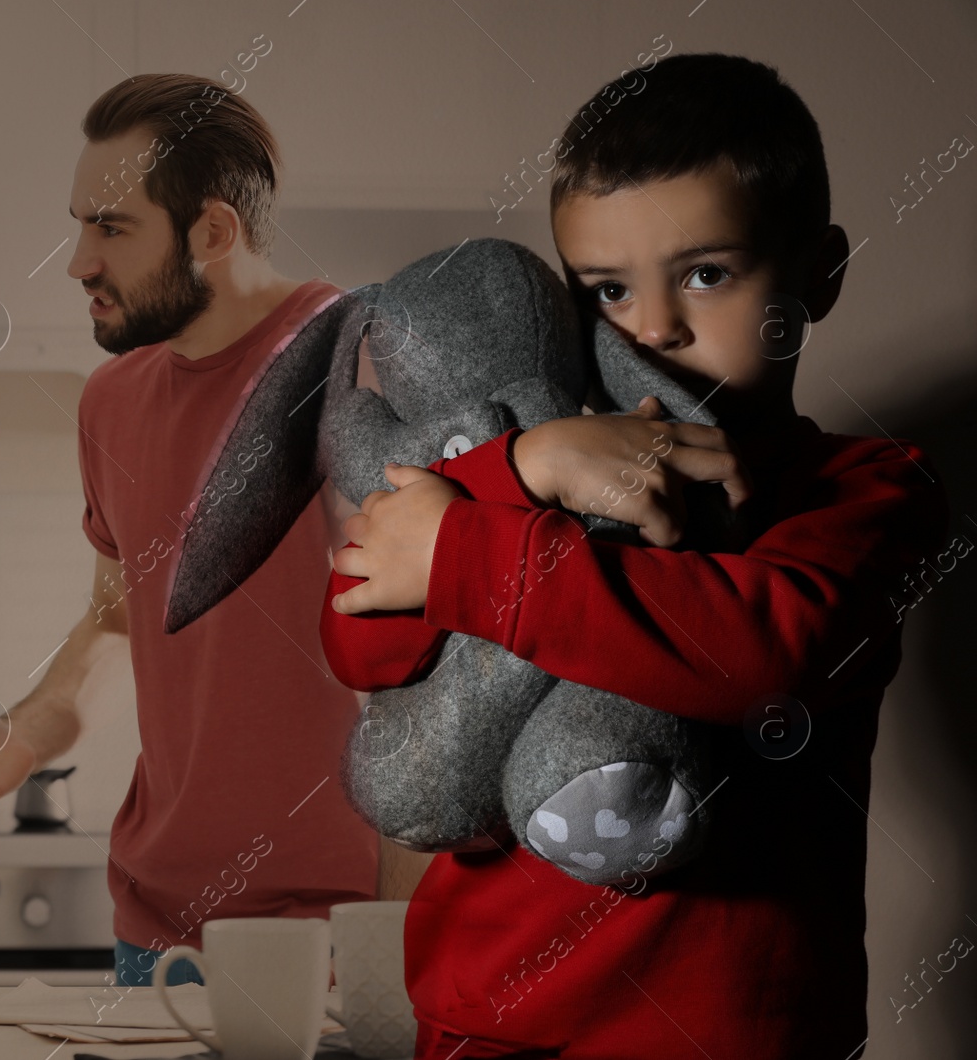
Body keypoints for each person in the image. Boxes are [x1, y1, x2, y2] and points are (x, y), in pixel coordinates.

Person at [322, 54, 950, 1058]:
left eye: (707, 273)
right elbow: (358, 642)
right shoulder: (524, 472)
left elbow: (764, 648)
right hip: (477, 1016)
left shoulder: (868, 487)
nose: (654, 325)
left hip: (722, 1032)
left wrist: (470, 553)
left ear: (817, 272)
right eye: (607, 288)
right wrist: (525, 464)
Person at [0, 74, 384, 988]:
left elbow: (453, 668)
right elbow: (119, 620)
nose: (77, 261)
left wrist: (406, 941)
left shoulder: (365, 366)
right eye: (80, 225)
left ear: (214, 233)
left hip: (341, 940)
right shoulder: (111, 403)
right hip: (156, 939)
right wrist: (23, 735)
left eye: (110, 228)